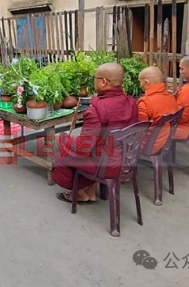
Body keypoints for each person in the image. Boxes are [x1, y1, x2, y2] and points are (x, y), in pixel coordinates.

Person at [53, 63, 138, 203]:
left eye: (95, 79)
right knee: (98, 147)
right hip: (127, 161)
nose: (94, 82)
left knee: (62, 155)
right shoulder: (132, 102)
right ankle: (91, 193)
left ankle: (80, 194)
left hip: (107, 166)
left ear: (103, 82)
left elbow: (82, 148)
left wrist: (63, 139)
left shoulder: (96, 110)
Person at [137, 67, 178, 154]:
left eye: (140, 82)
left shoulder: (145, 103)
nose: (140, 85)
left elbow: (140, 131)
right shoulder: (171, 98)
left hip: (148, 146)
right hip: (165, 142)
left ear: (146, 82)